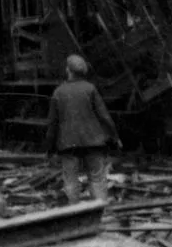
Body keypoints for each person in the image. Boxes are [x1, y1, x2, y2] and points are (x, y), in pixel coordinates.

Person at [43, 54, 120, 205]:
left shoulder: (58, 92)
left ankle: (75, 214)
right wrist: (115, 137)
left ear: (68, 70)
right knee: (97, 179)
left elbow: (52, 124)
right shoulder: (90, 89)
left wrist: (49, 148)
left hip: (68, 145)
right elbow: (104, 117)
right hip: (94, 142)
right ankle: (100, 212)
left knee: (71, 182)